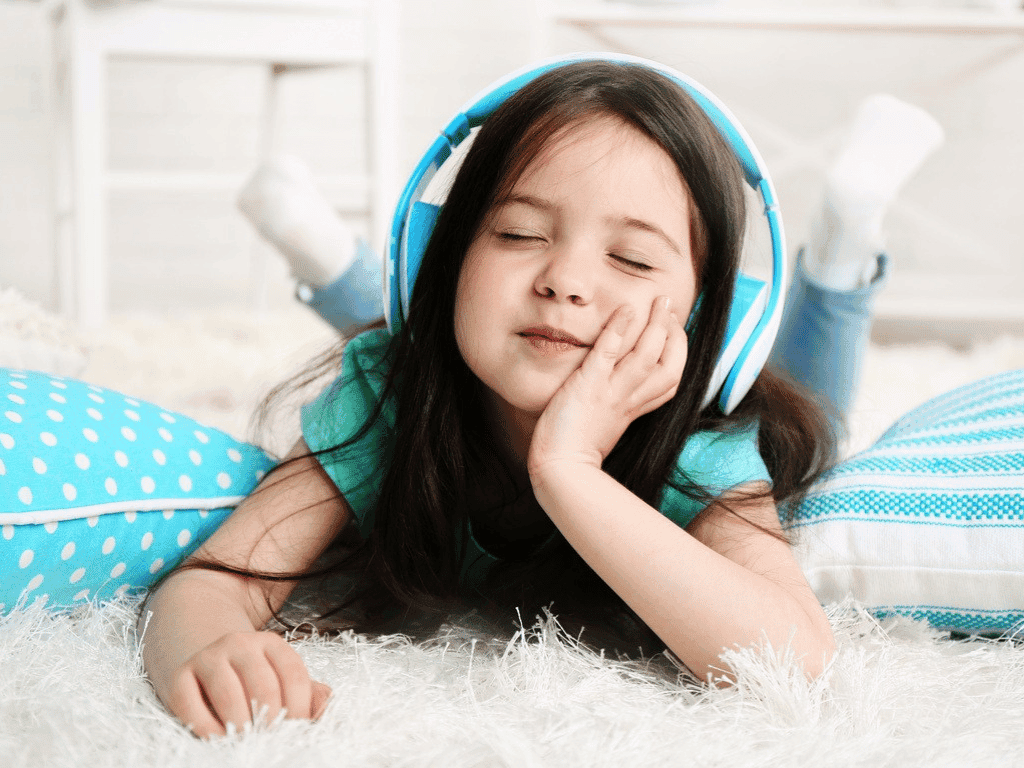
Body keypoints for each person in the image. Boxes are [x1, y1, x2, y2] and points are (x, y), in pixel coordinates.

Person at [140, 59, 931, 739]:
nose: (565, 281)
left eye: (629, 257)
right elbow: (215, 581)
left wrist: (569, 468)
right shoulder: (392, 394)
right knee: (412, 333)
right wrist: (205, 644)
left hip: (754, 400)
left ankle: (841, 249)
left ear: (699, 321)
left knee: (820, 408)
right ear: (441, 256)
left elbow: (799, 659)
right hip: (430, 336)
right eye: (518, 235)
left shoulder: (705, 439)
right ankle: (334, 257)